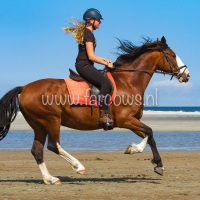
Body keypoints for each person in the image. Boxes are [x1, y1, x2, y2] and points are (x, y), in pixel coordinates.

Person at [64, 8, 114, 129]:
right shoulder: (88, 34)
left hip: (86, 64)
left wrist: (106, 61)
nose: (100, 23)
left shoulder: (88, 33)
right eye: (98, 20)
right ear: (91, 20)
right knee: (106, 84)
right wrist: (106, 61)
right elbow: (91, 56)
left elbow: (91, 56)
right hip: (84, 66)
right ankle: (103, 115)